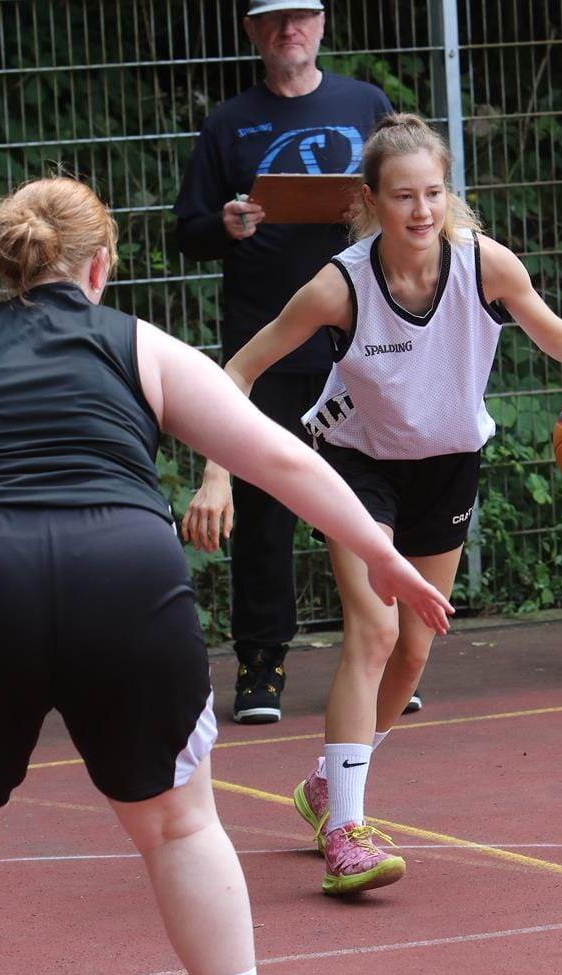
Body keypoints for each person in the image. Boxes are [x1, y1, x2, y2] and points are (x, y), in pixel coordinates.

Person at [0, 176, 452, 975]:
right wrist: (382, 555)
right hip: (124, 566)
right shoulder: (137, 344)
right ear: (99, 267)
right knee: (177, 825)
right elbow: (279, 457)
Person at [208, 113, 562, 898]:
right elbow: (237, 370)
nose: (422, 210)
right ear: (370, 201)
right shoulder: (339, 286)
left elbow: (559, 337)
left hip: (447, 464)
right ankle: (346, 832)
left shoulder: (482, 264)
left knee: (414, 650)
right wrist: (215, 473)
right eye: (403, 196)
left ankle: (330, 784)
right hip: (356, 465)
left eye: (433, 193)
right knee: (373, 632)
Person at [174, 0, 394, 725]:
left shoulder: (366, 104)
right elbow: (188, 232)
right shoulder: (228, 122)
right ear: (252, 33)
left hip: (360, 340)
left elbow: (409, 200)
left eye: (299, 16)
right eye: (271, 20)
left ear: (323, 22)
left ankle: (378, 653)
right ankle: (261, 662)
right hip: (262, 344)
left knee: (363, 505)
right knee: (264, 510)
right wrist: (226, 224)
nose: (287, 30)